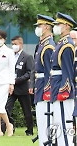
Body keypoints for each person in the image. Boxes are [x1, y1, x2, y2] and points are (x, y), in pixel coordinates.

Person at [50, 12, 76, 146]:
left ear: (66, 26)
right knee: (58, 123)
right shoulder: (61, 43)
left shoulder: (67, 45)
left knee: (64, 124)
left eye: (59, 24)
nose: (56, 26)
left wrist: (63, 90)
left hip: (61, 89)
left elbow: (67, 71)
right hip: (56, 85)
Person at [33, 14, 56, 145]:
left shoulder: (48, 46)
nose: (37, 28)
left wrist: (48, 91)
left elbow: (49, 72)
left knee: (46, 123)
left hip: (45, 88)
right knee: (41, 122)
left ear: (46, 27)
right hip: (40, 86)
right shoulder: (43, 44)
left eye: (39, 25)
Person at [5, 36, 34, 136]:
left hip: (22, 88)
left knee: (27, 111)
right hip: (11, 89)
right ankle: (11, 125)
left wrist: (17, 80)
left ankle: (29, 130)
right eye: (12, 44)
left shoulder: (27, 57)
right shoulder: (10, 56)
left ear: (21, 44)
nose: (14, 46)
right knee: (6, 108)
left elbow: (29, 72)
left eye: (16, 44)